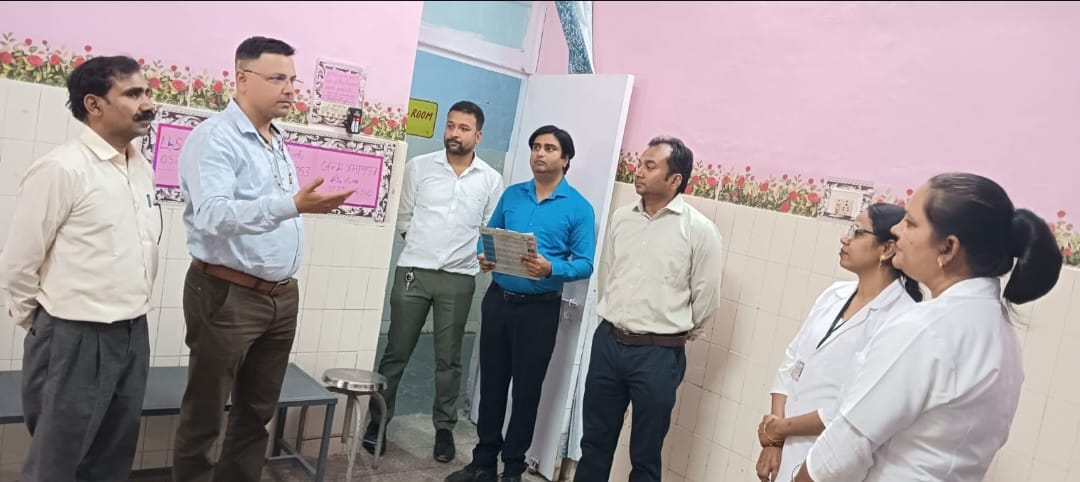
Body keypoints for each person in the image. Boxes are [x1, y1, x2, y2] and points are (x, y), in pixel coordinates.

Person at [794, 173, 1063, 482]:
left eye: (910, 223)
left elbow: (841, 452)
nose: (896, 230)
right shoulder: (1000, 333)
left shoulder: (926, 329)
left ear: (948, 248)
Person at [172, 36, 353, 482]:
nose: (290, 89)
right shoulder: (215, 138)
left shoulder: (275, 139)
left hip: (280, 297)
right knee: (205, 414)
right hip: (227, 293)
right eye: (277, 79)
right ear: (242, 79)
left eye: (293, 79)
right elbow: (212, 216)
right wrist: (291, 206)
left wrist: (296, 209)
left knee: (256, 412)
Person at [0, 55, 159, 481]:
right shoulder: (62, 168)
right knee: (57, 461)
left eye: (147, 92)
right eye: (133, 94)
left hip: (133, 331)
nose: (148, 103)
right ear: (94, 104)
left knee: (112, 458)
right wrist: (44, 326)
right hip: (74, 334)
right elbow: (18, 263)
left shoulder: (140, 168)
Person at [446, 125, 596, 482]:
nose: (540, 153)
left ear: (566, 159)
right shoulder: (513, 195)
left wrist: (550, 268)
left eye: (549, 148)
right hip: (498, 302)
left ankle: (512, 469)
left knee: (526, 392)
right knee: (492, 385)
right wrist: (484, 256)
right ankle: (483, 463)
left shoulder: (579, 208)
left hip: (539, 309)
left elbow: (585, 263)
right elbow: (487, 236)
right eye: (536, 147)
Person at [573, 136, 724, 482]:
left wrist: (676, 332)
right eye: (639, 163)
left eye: (649, 166)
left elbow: (706, 296)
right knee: (594, 443)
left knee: (645, 454)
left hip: (658, 354)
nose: (638, 171)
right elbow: (609, 274)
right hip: (608, 343)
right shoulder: (621, 218)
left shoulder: (699, 230)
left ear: (674, 180)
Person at [363, 100, 504, 462]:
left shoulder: (490, 179)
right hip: (413, 273)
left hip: (459, 278)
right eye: (450, 126)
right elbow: (404, 216)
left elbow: (489, 228)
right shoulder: (420, 167)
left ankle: (444, 429)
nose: (454, 134)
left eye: (463, 128)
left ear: (478, 136)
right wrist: (421, 246)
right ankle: (378, 421)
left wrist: (480, 256)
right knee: (396, 352)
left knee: (449, 359)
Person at [755, 204, 921, 482]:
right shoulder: (834, 294)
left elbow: (854, 407)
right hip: (785, 444)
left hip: (833, 457)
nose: (845, 238)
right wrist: (775, 439)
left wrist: (781, 428)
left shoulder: (901, 318)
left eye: (858, 232)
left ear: (887, 249)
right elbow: (792, 362)